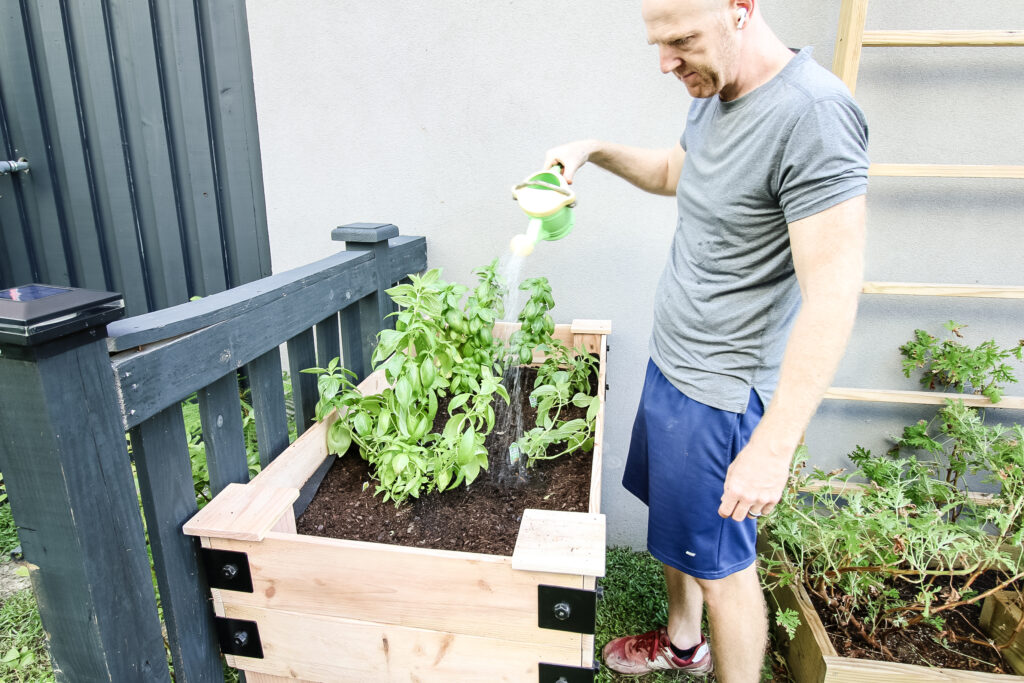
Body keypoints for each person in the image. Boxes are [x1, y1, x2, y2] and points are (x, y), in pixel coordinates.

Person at [544, 0, 868, 680]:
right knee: (676, 527)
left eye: (682, 40)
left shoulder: (812, 115)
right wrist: (592, 151)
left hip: (720, 395)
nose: (666, 62)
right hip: (674, 366)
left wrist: (773, 445)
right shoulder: (713, 90)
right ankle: (685, 645)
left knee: (725, 569)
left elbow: (834, 296)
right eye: (657, 43)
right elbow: (673, 172)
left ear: (741, 9)